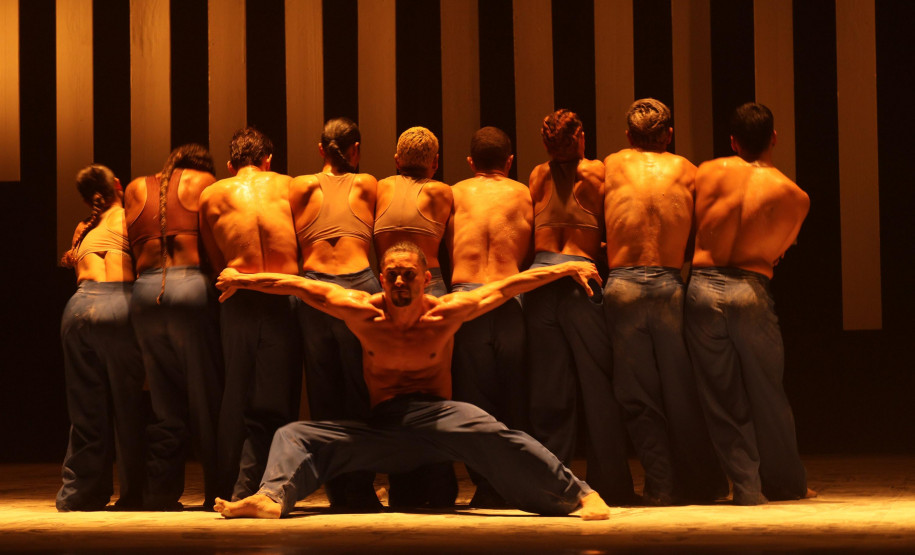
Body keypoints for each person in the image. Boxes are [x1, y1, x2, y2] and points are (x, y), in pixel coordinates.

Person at [212, 241, 611, 520]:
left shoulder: (446, 313)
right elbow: (297, 285)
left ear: (426, 279)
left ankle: (580, 496)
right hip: (385, 425)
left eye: (409, 276)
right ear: (381, 279)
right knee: (294, 435)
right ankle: (270, 498)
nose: (400, 283)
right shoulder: (361, 313)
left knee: (498, 433)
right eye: (393, 276)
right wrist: (240, 278)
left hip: (441, 420)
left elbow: (509, 286)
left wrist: (566, 267)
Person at [685, 102, 815, 505]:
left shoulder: (707, 172)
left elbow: (688, 225)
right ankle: (788, 485)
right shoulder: (795, 196)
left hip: (703, 288)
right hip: (751, 286)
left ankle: (746, 487)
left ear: (732, 140)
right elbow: (777, 253)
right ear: (774, 138)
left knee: (722, 395)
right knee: (768, 392)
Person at [602, 99, 727, 505]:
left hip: (622, 286)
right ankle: (702, 484)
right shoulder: (688, 171)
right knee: (681, 393)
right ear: (669, 135)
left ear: (627, 137)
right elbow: (705, 231)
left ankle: (661, 486)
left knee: (638, 397)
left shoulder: (611, 166)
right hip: (671, 285)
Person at [524, 109, 635, 504]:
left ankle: (550, 485)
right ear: (582, 137)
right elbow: (616, 223)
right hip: (579, 280)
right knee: (597, 386)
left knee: (549, 391)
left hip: (539, 280)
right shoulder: (598, 173)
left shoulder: (537, 175)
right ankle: (612, 485)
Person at [199, 128, 303, 501]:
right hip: (281, 292)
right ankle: (272, 487)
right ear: (268, 160)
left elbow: (215, 259)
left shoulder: (211, 194)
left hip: (238, 294)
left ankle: (226, 488)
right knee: (278, 397)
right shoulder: (289, 185)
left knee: (235, 397)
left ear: (230, 165)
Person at [289, 117, 382, 510]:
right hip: (359, 284)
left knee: (324, 393)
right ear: (355, 150)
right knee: (359, 390)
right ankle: (359, 488)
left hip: (315, 287)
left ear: (320, 150)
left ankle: (335, 489)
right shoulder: (367, 183)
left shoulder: (300, 184)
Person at [125, 144, 223, 510]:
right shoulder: (205, 182)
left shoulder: (136, 188)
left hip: (145, 294)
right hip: (190, 290)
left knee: (164, 403)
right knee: (205, 398)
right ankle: (219, 490)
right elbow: (214, 245)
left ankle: (160, 494)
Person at [448, 126, 532, 507]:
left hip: (467, 300)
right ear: (509, 162)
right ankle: (515, 482)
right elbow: (529, 250)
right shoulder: (523, 193)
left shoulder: (455, 192)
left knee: (474, 401)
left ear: (470, 163)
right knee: (514, 396)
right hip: (507, 295)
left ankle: (485, 485)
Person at [374, 127, 457, 507]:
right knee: (436, 385)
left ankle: (401, 482)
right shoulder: (441, 192)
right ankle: (439, 483)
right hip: (430, 283)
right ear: (435, 164)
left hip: (391, 285)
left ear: (396, 159)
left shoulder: (380, 189)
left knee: (394, 385)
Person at [56, 165, 146, 511]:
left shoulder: (84, 227)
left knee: (85, 408)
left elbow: (72, 261)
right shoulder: (133, 216)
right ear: (118, 186)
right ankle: (135, 492)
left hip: (78, 309)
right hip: (118, 305)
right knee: (128, 406)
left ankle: (80, 493)